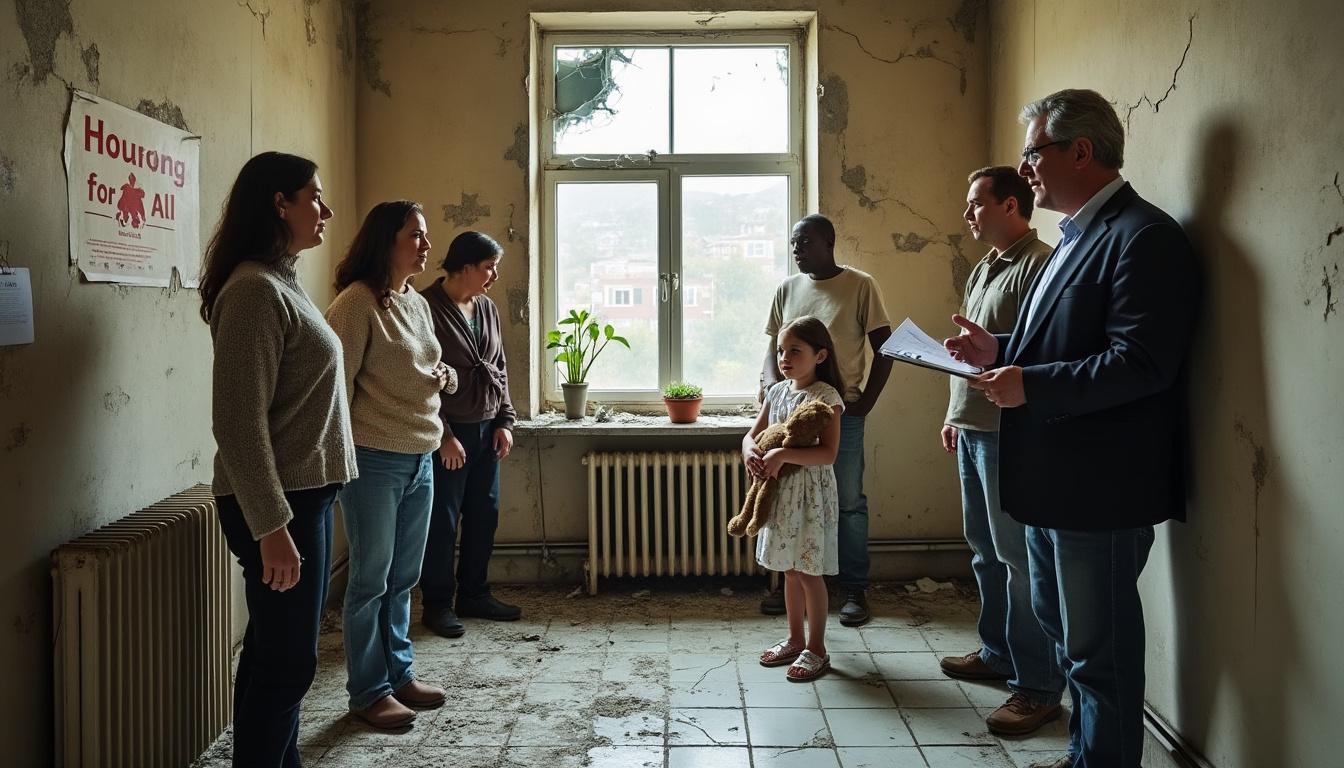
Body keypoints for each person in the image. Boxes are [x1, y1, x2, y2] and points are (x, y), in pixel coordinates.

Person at [946, 89, 1198, 768]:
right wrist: (1000, 350)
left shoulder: (1145, 237)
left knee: (1100, 652)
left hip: (1101, 489)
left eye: (1034, 153)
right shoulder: (1077, 238)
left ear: (1080, 152)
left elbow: (1141, 363)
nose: (1025, 169)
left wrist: (1028, 382)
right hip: (1055, 483)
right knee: (1066, 637)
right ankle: (1088, 755)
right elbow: (1065, 340)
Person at [200, 151, 357, 767]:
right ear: (279, 204)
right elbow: (238, 422)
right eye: (314, 197)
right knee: (288, 664)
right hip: (276, 505)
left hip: (296, 498)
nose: (327, 209)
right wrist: (272, 526)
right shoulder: (252, 292)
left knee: (275, 654)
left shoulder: (278, 281)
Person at [939, 166, 1064, 736]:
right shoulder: (988, 265)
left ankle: (1036, 687)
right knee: (984, 551)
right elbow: (971, 353)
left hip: (1007, 432)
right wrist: (953, 416)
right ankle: (998, 653)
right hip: (973, 427)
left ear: (1012, 205)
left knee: (1018, 561)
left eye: (977, 204)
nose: (968, 214)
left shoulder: (1039, 263)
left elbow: (1035, 353)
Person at [325, 201, 456, 729]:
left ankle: (399, 674)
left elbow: (421, 362)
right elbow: (336, 390)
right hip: (375, 460)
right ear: (386, 241)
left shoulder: (414, 302)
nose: (426, 245)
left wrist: (442, 374)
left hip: (420, 456)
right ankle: (368, 691)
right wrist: (338, 462)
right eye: (415, 236)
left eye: (424, 236)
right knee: (370, 582)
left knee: (403, 578)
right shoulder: (356, 304)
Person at [760, 214, 892, 626]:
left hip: (838, 409)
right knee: (787, 496)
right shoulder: (787, 288)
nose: (797, 250)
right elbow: (772, 349)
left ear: (830, 242)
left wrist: (865, 402)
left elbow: (886, 349)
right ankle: (791, 587)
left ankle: (854, 588)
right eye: (794, 243)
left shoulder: (860, 285)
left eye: (806, 242)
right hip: (789, 410)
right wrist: (770, 389)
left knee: (848, 502)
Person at [417, 231, 519, 637]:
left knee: (484, 516)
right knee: (441, 522)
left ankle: (474, 594)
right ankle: (437, 604)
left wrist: (505, 422)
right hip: (448, 433)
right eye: (488, 267)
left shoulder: (487, 308)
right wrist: (443, 435)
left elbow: (500, 367)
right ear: (464, 266)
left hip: (487, 429)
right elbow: (420, 377)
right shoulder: (425, 308)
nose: (494, 275)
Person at [747, 316, 846, 682]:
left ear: (820, 355)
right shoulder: (776, 393)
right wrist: (749, 452)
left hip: (811, 497)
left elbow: (828, 454)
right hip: (782, 495)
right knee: (788, 569)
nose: (784, 358)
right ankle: (793, 637)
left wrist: (782, 456)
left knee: (808, 570)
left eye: (795, 350)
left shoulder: (826, 397)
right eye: (780, 351)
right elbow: (752, 435)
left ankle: (816, 648)